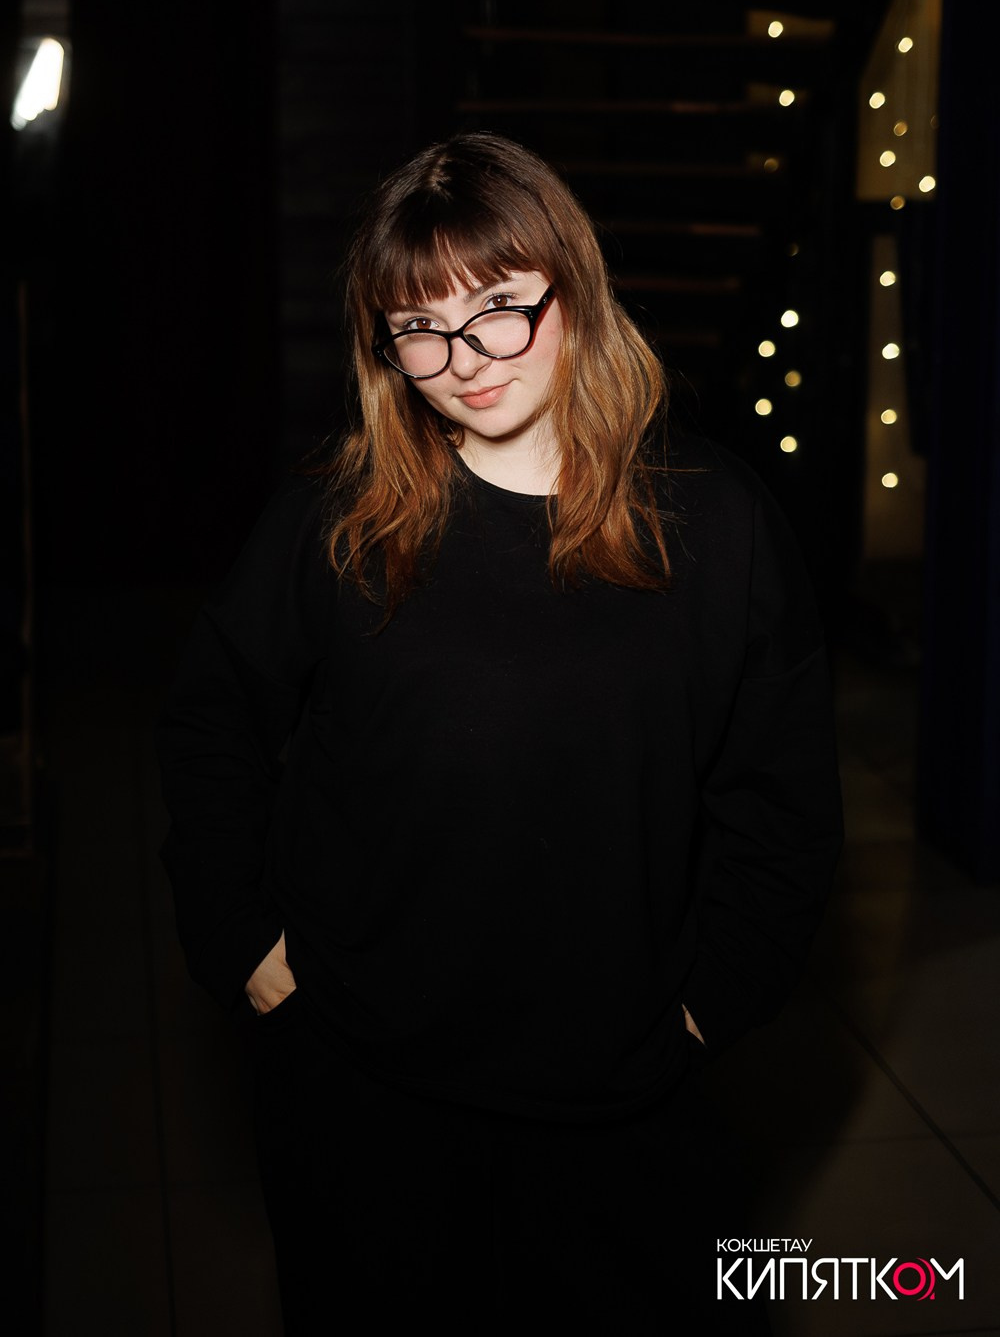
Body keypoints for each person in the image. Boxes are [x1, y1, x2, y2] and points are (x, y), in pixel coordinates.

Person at [157, 131, 843, 1334]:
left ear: (572, 291)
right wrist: (242, 943)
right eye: (417, 329)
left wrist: (708, 1005)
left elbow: (779, 802)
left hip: (617, 1100)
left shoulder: (716, 525)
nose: (462, 359)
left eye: (498, 308)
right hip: (361, 1092)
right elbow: (212, 716)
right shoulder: (340, 520)